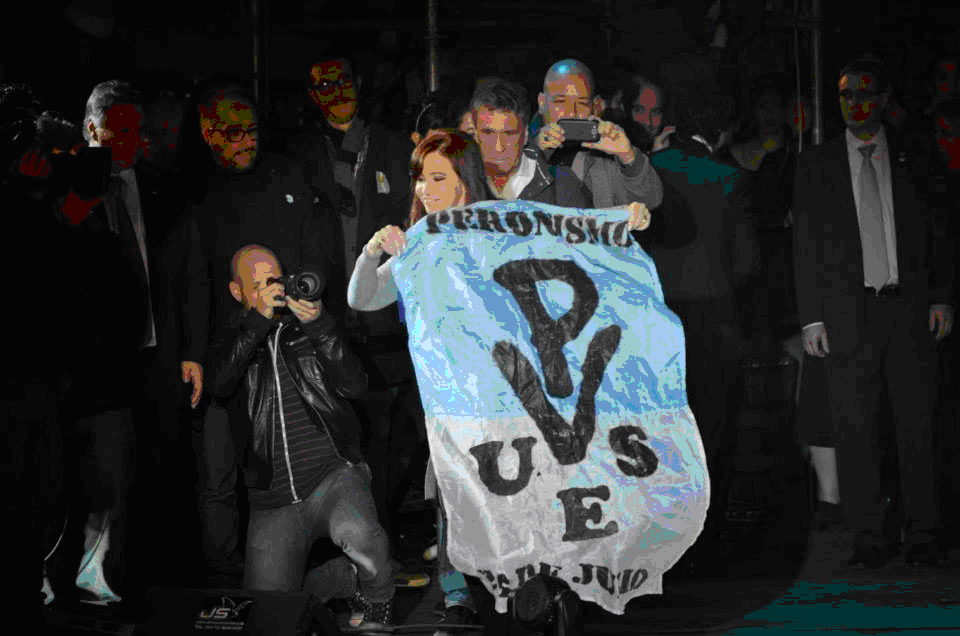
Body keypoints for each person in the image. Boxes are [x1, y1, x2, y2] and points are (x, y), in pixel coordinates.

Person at [793, 56, 955, 568]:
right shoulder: (817, 163)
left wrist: (941, 295)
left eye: (865, 92)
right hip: (847, 310)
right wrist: (811, 317)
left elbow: (940, 230)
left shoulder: (915, 155)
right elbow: (805, 245)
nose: (855, 103)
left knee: (917, 424)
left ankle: (924, 531)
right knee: (855, 427)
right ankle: (868, 536)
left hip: (907, 307)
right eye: (846, 94)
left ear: (883, 99)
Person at [181, 83, 340, 586]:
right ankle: (223, 583)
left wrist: (311, 290)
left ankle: (288, 572)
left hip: (285, 342)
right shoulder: (196, 190)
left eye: (251, 130)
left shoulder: (285, 173)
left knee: (288, 462)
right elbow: (190, 279)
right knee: (218, 470)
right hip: (224, 346)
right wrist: (191, 353)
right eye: (233, 133)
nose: (246, 141)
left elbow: (318, 245)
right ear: (208, 132)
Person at [210, 244, 394, 629]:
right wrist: (256, 324)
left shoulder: (306, 326)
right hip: (272, 499)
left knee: (359, 533)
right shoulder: (229, 339)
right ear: (237, 292)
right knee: (269, 612)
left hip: (332, 477)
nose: (273, 290)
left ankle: (378, 598)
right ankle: (340, 578)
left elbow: (356, 386)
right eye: (260, 285)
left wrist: (321, 327)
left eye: (275, 279)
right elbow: (220, 383)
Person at [287, 56, 425, 552]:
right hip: (326, 321)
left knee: (395, 437)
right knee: (340, 439)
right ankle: (343, 549)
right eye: (322, 84)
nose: (334, 91)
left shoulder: (394, 146)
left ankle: (381, 539)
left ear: (358, 84)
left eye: (342, 80)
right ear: (312, 95)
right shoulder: (301, 153)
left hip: (385, 320)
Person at [533, 58, 663, 210]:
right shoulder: (516, 141)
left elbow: (650, 201)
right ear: (542, 103)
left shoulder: (604, 158)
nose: (572, 112)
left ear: (594, 107)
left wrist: (628, 156)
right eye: (561, 102)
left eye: (582, 103)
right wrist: (536, 151)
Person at [469, 76, 592, 206]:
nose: (499, 147)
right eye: (488, 133)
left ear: (525, 134)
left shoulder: (563, 186)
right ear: (475, 135)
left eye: (509, 134)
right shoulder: (461, 183)